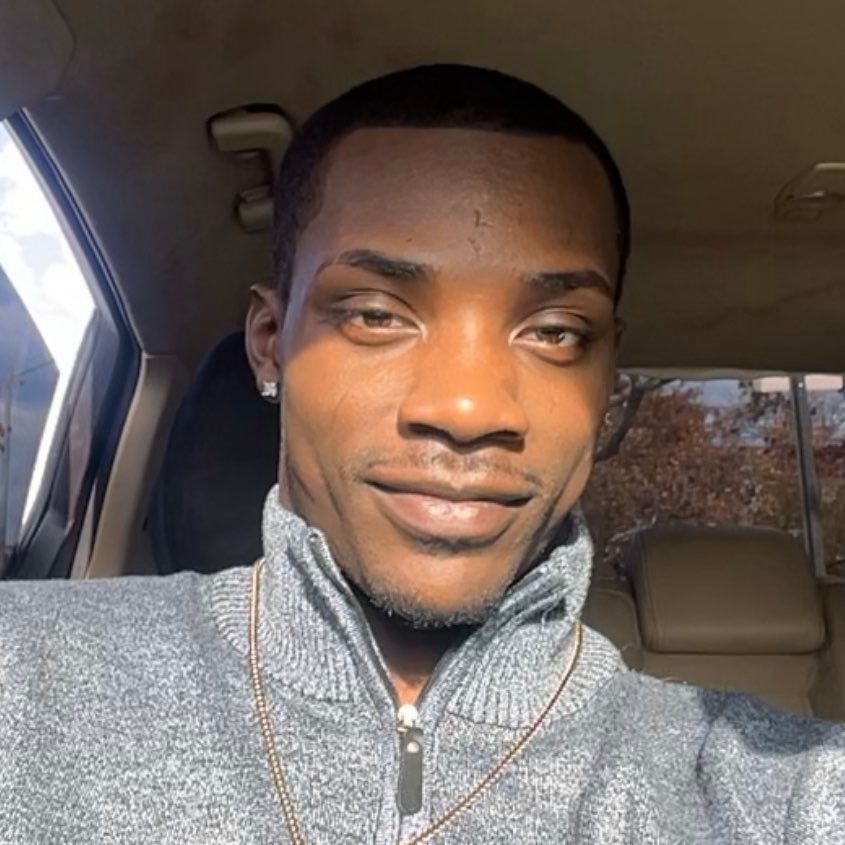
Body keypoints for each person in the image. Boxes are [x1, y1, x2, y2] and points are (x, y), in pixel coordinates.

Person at [1, 64, 843, 845]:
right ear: (269, 342)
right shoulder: (27, 674)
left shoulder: (768, 787)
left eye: (555, 331)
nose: (468, 409)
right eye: (375, 314)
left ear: (604, 377)